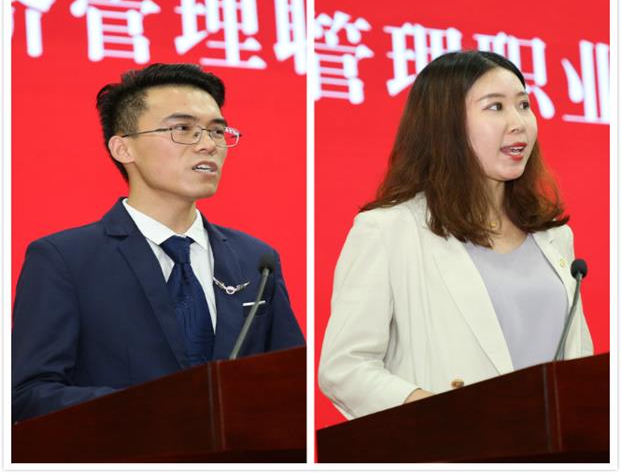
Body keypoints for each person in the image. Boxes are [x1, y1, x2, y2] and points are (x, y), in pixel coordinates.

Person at [12, 63, 305, 422]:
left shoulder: (255, 260)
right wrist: (158, 410)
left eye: (217, 131)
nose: (208, 145)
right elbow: (30, 394)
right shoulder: (64, 260)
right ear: (123, 148)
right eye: (183, 129)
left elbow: (293, 386)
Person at [318, 50, 593, 420]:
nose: (519, 123)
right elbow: (344, 368)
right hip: (450, 443)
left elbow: (577, 363)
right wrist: (438, 412)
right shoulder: (390, 230)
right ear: (446, 125)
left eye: (524, 105)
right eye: (495, 107)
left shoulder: (555, 237)